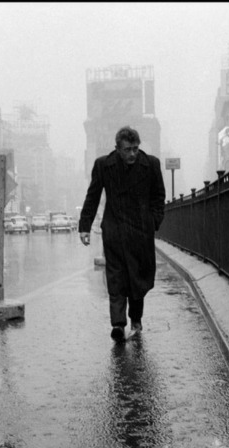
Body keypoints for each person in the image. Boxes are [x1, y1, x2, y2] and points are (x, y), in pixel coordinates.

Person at [79, 126, 166, 343]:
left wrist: (153, 221)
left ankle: (135, 320)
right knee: (117, 279)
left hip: (140, 233)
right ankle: (118, 324)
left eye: (136, 149)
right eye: (127, 150)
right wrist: (84, 226)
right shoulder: (103, 166)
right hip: (115, 232)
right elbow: (93, 196)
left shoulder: (151, 164)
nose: (132, 154)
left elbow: (158, 196)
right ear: (117, 148)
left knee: (137, 279)